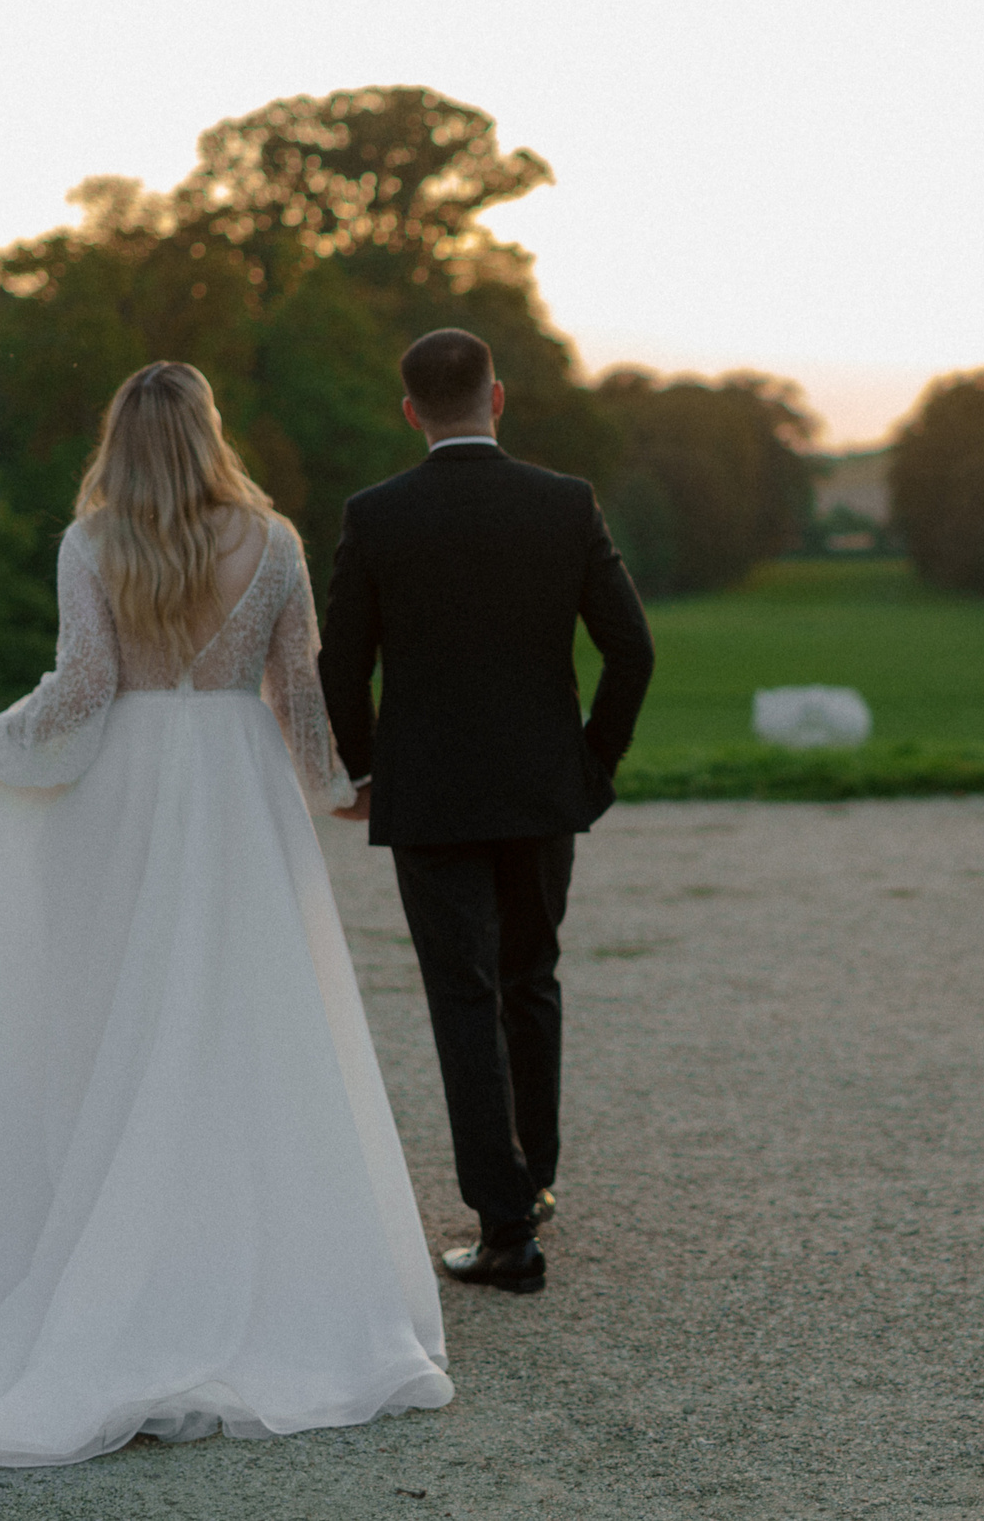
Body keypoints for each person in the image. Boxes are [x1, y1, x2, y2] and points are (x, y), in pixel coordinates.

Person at [0, 361, 452, 1469]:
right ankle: (233, 1261)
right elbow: (297, 691)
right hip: (233, 794)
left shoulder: (93, 541)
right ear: (210, 432)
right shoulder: (272, 542)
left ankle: (105, 1248)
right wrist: (330, 787)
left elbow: (80, 693)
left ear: (119, 440)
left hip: (126, 795)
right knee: (239, 1025)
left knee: (112, 1020)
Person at [320, 328, 654, 1295]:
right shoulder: (564, 504)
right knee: (531, 975)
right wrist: (593, 763)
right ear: (497, 399)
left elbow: (343, 665)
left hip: (427, 797)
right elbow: (632, 651)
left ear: (411, 410)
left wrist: (364, 772)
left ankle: (505, 1225)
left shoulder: (376, 515)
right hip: (544, 787)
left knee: (462, 995)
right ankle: (533, 1180)